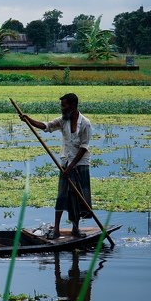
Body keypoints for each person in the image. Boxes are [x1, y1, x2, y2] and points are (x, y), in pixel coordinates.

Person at [19, 93, 93, 238]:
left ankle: (75, 229)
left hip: (80, 164)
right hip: (65, 163)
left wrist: (71, 167)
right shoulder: (63, 120)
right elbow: (46, 126)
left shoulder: (85, 123)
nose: (61, 108)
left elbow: (84, 147)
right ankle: (57, 230)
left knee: (77, 197)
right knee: (61, 196)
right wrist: (28, 120)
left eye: (64, 105)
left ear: (73, 106)